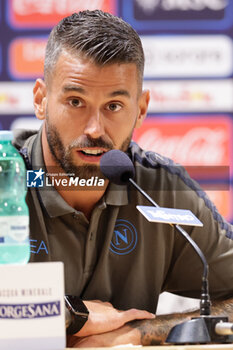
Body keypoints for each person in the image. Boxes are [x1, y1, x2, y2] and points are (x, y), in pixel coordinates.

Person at [13, 9, 233, 347]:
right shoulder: (5, 178)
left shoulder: (162, 188)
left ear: (141, 109)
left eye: (114, 106)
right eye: (75, 101)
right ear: (41, 100)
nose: (94, 129)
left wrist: (138, 333)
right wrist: (71, 315)